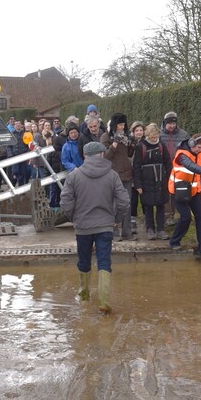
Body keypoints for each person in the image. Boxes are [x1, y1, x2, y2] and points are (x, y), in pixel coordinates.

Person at [60, 141, 129, 314]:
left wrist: (74, 218)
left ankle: (84, 295)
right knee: (104, 261)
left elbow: (65, 201)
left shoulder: (74, 176)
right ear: (101, 154)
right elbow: (124, 201)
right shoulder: (112, 175)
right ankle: (104, 301)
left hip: (82, 226)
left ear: (84, 156)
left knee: (84, 261)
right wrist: (116, 219)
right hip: (105, 225)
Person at [168, 133, 201, 257]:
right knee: (186, 217)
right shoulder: (182, 155)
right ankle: (174, 241)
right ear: (191, 144)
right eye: (198, 148)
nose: (200, 150)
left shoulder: (200, 152)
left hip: (194, 191)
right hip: (179, 190)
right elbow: (192, 166)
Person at [133, 122, 171, 240]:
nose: (154, 139)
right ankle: (150, 229)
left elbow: (168, 163)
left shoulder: (161, 145)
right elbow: (136, 167)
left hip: (161, 180)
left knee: (161, 206)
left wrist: (169, 179)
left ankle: (161, 229)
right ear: (147, 135)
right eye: (152, 136)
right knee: (148, 206)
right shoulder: (141, 147)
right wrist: (138, 185)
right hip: (146, 182)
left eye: (156, 136)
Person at [102, 113, 135, 240]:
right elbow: (106, 156)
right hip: (113, 174)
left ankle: (127, 231)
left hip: (126, 173)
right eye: (120, 125)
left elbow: (129, 154)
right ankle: (113, 232)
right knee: (113, 204)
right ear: (114, 125)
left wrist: (133, 144)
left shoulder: (126, 136)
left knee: (127, 203)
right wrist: (115, 143)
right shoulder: (106, 136)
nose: (122, 127)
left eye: (123, 124)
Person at [159, 112, 189, 226]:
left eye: (173, 123)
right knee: (167, 191)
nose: (171, 126)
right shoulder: (160, 135)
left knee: (179, 190)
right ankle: (167, 216)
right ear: (164, 123)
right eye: (169, 123)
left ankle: (180, 215)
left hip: (179, 167)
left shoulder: (184, 135)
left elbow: (191, 148)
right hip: (164, 167)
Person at [129, 121, 145, 228]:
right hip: (132, 173)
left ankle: (147, 218)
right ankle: (132, 220)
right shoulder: (130, 142)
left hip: (144, 174)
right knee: (133, 199)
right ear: (133, 132)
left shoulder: (146, 143)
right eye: (137, 131)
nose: (139, 133)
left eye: (140, 130)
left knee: (145, 199)